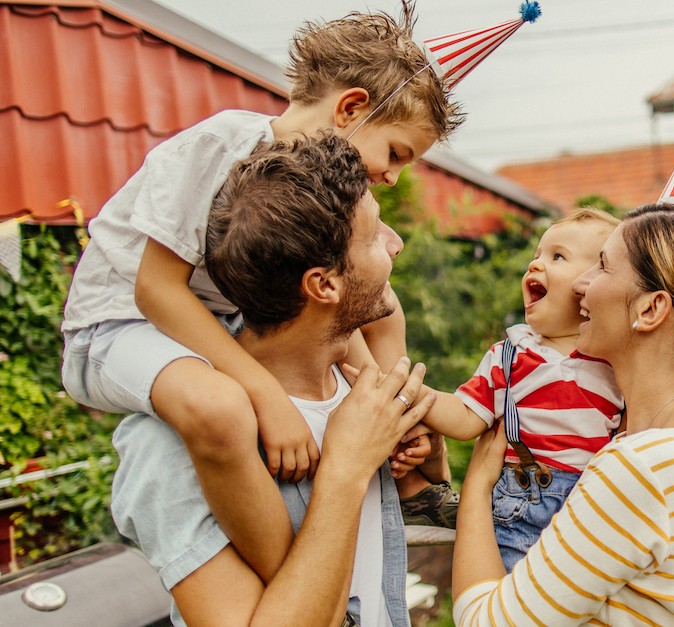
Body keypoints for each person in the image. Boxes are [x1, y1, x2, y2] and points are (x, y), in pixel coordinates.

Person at [63, 6, 461, 583]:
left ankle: (413, 482)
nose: (393, 175)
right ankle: (296, 581)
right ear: (350, 109)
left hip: (216, 322)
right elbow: (155, 290)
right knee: (220, 409)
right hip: (119, 327)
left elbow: (347, 306)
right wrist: (263, 396)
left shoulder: (315, 190)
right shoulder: (223, 143)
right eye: (396, 153)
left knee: (373, 297)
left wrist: (387, 407)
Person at [112, 133, 435, 626]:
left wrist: (425, 456)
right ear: (323, 284)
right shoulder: (177, 444)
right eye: (373, 237)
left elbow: (419, 516)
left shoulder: (359, 386)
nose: (396, 244)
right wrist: (345, 471)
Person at [451, 201, 674, 625]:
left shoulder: (639, 471)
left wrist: (477, 484)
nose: (581, 284)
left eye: (601, 267)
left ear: (650, 309)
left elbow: (484, 622)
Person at [416, 208, 623, 568]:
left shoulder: (614, 360)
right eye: (536, 255)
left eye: (557, 256)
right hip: (522, 508)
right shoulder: (510, 355)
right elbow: (467, 418)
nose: (535, 265)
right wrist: (417, 395)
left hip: (594, 510)